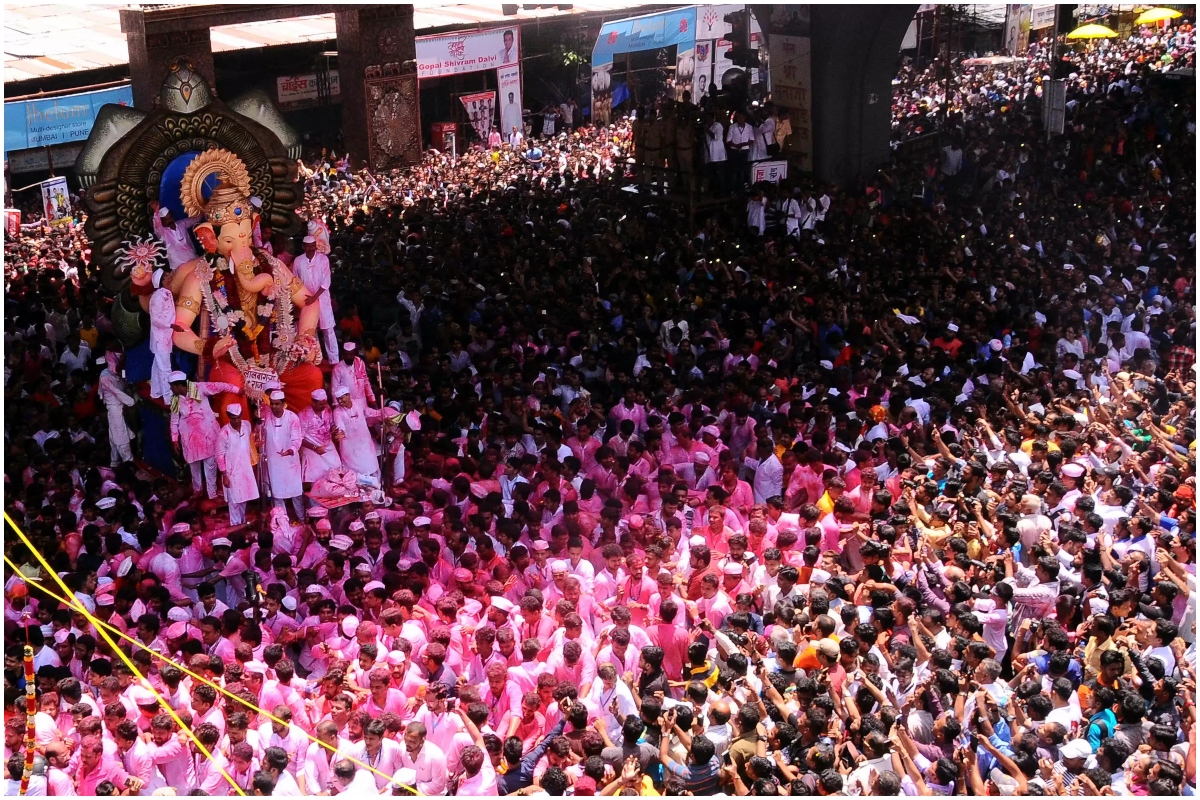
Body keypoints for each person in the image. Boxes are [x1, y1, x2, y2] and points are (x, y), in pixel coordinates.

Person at [169, 371, 242, 501]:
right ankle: (198, 490)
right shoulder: (175, 399)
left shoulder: (199, 388)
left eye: (171, 386)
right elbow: (174, 420)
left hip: (207, 435)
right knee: (194, 466)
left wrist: (237, 390)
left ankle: (212, 494)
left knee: (210, 465)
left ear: (178, 385)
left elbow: (221, 386)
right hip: (190, 438)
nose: (170, 388)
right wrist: (175, 439)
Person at [260, 390, 305, 520]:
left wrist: (290, 450)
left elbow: (297, 439)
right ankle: (282, 523)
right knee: (277, 494)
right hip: (274, 464)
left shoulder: (292, 418)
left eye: (277, 404)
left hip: (291, 462)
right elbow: (260, 436)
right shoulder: (266, 418)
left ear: (283, 404)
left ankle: (302, 520)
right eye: (272, 404)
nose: (274, 407)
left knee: (296, 494)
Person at [292, 235, 338, 363]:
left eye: (313, 245)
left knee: (327, 329)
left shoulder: (323, 259)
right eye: (309, 246)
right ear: (304, 247)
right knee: (311, 331)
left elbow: (326, 281)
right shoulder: (298, 261)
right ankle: (316, 358)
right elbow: (295, 281)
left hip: (322, 299)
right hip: (305, 300)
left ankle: (334, 360)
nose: (311, 248)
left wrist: (315, 297)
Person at [215, 402, 259, 526]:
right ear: (229, 417)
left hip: (245, 470)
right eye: (234, 418)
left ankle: (242, 524)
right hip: (231, 472)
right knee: (234, 501)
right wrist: (224, 475)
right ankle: (235, 526)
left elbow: (250, 441)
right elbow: (219, 455)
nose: (237, 421)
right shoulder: (223, 434)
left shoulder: (247, 425)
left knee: (244, 498)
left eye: (239, 417)